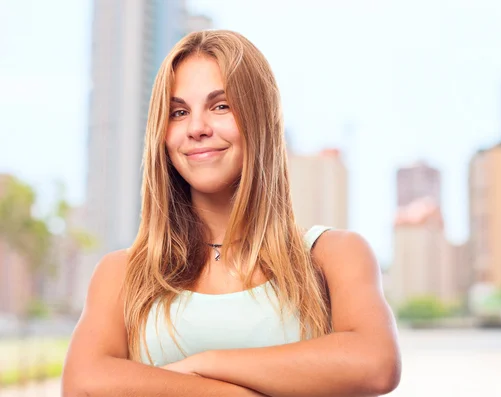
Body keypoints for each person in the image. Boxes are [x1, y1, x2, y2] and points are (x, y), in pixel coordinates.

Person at [62, 29, 401, 397]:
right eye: (178, 112)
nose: (196, 128)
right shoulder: (123, 274)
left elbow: (375, 364)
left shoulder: (333, 255)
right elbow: (83, 384)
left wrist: (204, 363)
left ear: (259, 118)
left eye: (220, 105)